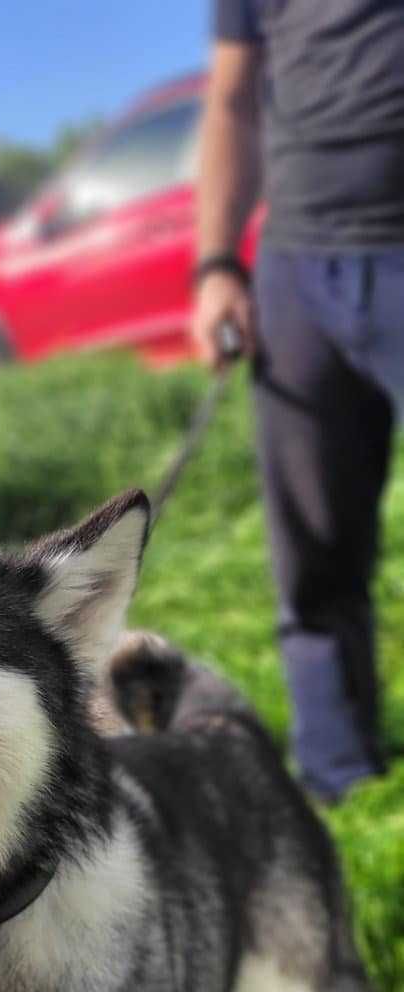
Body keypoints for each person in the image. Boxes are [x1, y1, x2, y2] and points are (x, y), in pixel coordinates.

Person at [193, 1, 404, 803]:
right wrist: (217, 263)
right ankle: (341, 783)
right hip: (298, 268)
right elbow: (233, 100)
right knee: (313, 553)